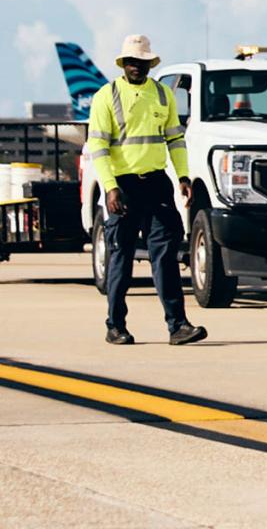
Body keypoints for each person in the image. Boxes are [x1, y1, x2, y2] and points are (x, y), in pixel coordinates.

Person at [87, 35, 207, 346]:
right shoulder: (106, 96)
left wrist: (183, 176)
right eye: (130, 62)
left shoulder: (163, 95)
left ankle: (178, 326)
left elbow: (175, 140)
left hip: (156, 184)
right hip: (122, 187)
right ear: (122, 64)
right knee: (121, 257)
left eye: (141, 62)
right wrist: (110, 189)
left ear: (149, 64)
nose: (135, 66)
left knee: (165, 256)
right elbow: (98, 147)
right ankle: (116, 326)